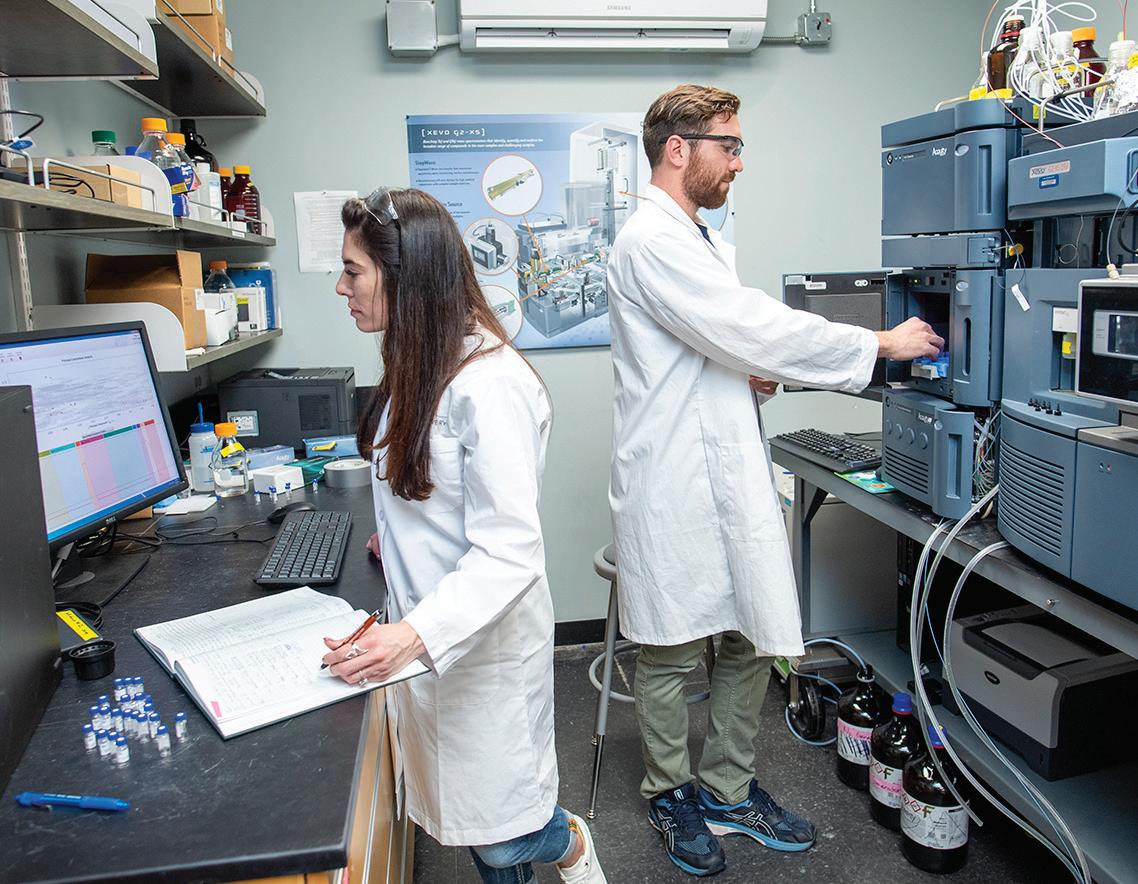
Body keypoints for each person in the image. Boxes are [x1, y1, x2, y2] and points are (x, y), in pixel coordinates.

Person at [606, 84, 944, 877]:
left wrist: (753, 373)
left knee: (748, 636)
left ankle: (727, 788)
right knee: (671, 647)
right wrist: (877, 343)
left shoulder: (694, 237)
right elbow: (746, 324)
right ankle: (670, 793)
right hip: (673, 478)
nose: (739, 163)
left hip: (724, 468)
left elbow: (716, 341)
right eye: (729, 146)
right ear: (678, 149)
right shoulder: (650, 240)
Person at [322, 187, 606, 884]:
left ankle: (570, 841)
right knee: (477, 830)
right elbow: (427, 482)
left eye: (353, 271)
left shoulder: (490, 384)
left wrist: (413, 634)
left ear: (405, 277)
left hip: (481, 643)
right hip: (430, 629)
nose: (341, 287)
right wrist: (400, 535)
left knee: (504, 834)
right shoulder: (419, 357)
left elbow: (509, 551)